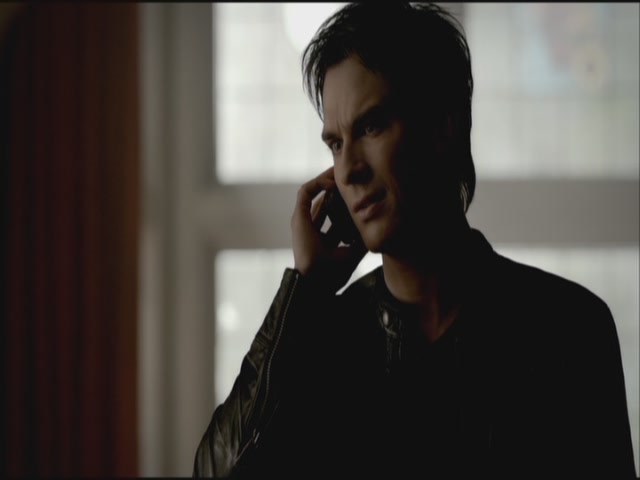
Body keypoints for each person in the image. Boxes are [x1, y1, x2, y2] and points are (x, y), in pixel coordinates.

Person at [193, 3, 636, 478]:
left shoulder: (568, 329)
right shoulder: (323, 346)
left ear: (442, 125)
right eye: (336, 144)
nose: (349, 170)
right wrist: (305, 291)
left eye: (370, 126)